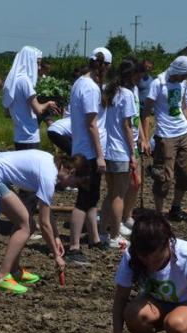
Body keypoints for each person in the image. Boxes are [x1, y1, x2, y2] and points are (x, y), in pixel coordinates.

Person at [0, 150, 81, 293]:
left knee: (23, 223)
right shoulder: (49, 177)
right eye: (75, 183)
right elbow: (44, 223)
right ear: (71, 171)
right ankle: (2, 278)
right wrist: (56, 256)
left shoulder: (51, 165)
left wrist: (56, 236)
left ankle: (14, 271)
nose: (73, 187)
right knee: (26, 226)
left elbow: (47, 212)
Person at [65, 47, 112, 266]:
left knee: (92, 197)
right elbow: (92, 124)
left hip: (84, 148)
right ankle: (74, 246)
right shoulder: (90, 88)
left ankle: (93, 238)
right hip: (89, 152)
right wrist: (100, 156)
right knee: (84, 199)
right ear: (104, 66)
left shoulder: (80, 83)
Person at [143, 56, 187, 223]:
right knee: (164, 178)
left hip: (183, 133)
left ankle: (176, 208)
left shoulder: (183, 83)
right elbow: (146, 113)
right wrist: (145, 139)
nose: (185, 78)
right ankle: (159, 214)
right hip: (165, 136)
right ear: (176, 71)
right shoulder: (158, 84)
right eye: (184, 74)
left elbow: (183, 107)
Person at [100, 60, 142, 247]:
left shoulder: (107, 90)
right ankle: (115, 235)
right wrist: (132, 152)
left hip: (106, 148)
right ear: (131, 76)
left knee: (110, 193)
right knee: (119, 195)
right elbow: (127, 125)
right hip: (119, 151)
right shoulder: (126, 94)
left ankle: (102, 232)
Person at [2, 46, 59, 151]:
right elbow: (37, 109)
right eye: (37, 63)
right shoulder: (25, 81)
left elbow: (6, 113)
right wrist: (48, 104)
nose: (38, 67)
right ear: (29, 61)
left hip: (19, 136)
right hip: (29, 136)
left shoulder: (13, 81)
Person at [121, 61, 148, 236]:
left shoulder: (135, 90)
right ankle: (119, 218)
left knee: (136, 182)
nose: (140, 79)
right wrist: (132, 149)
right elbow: (126, 124)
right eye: (138, 75)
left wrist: (143, 138)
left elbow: (137, 117)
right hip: (123, 143)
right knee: (125, 183)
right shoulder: (122, 92)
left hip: (135, 140)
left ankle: (127, 215)